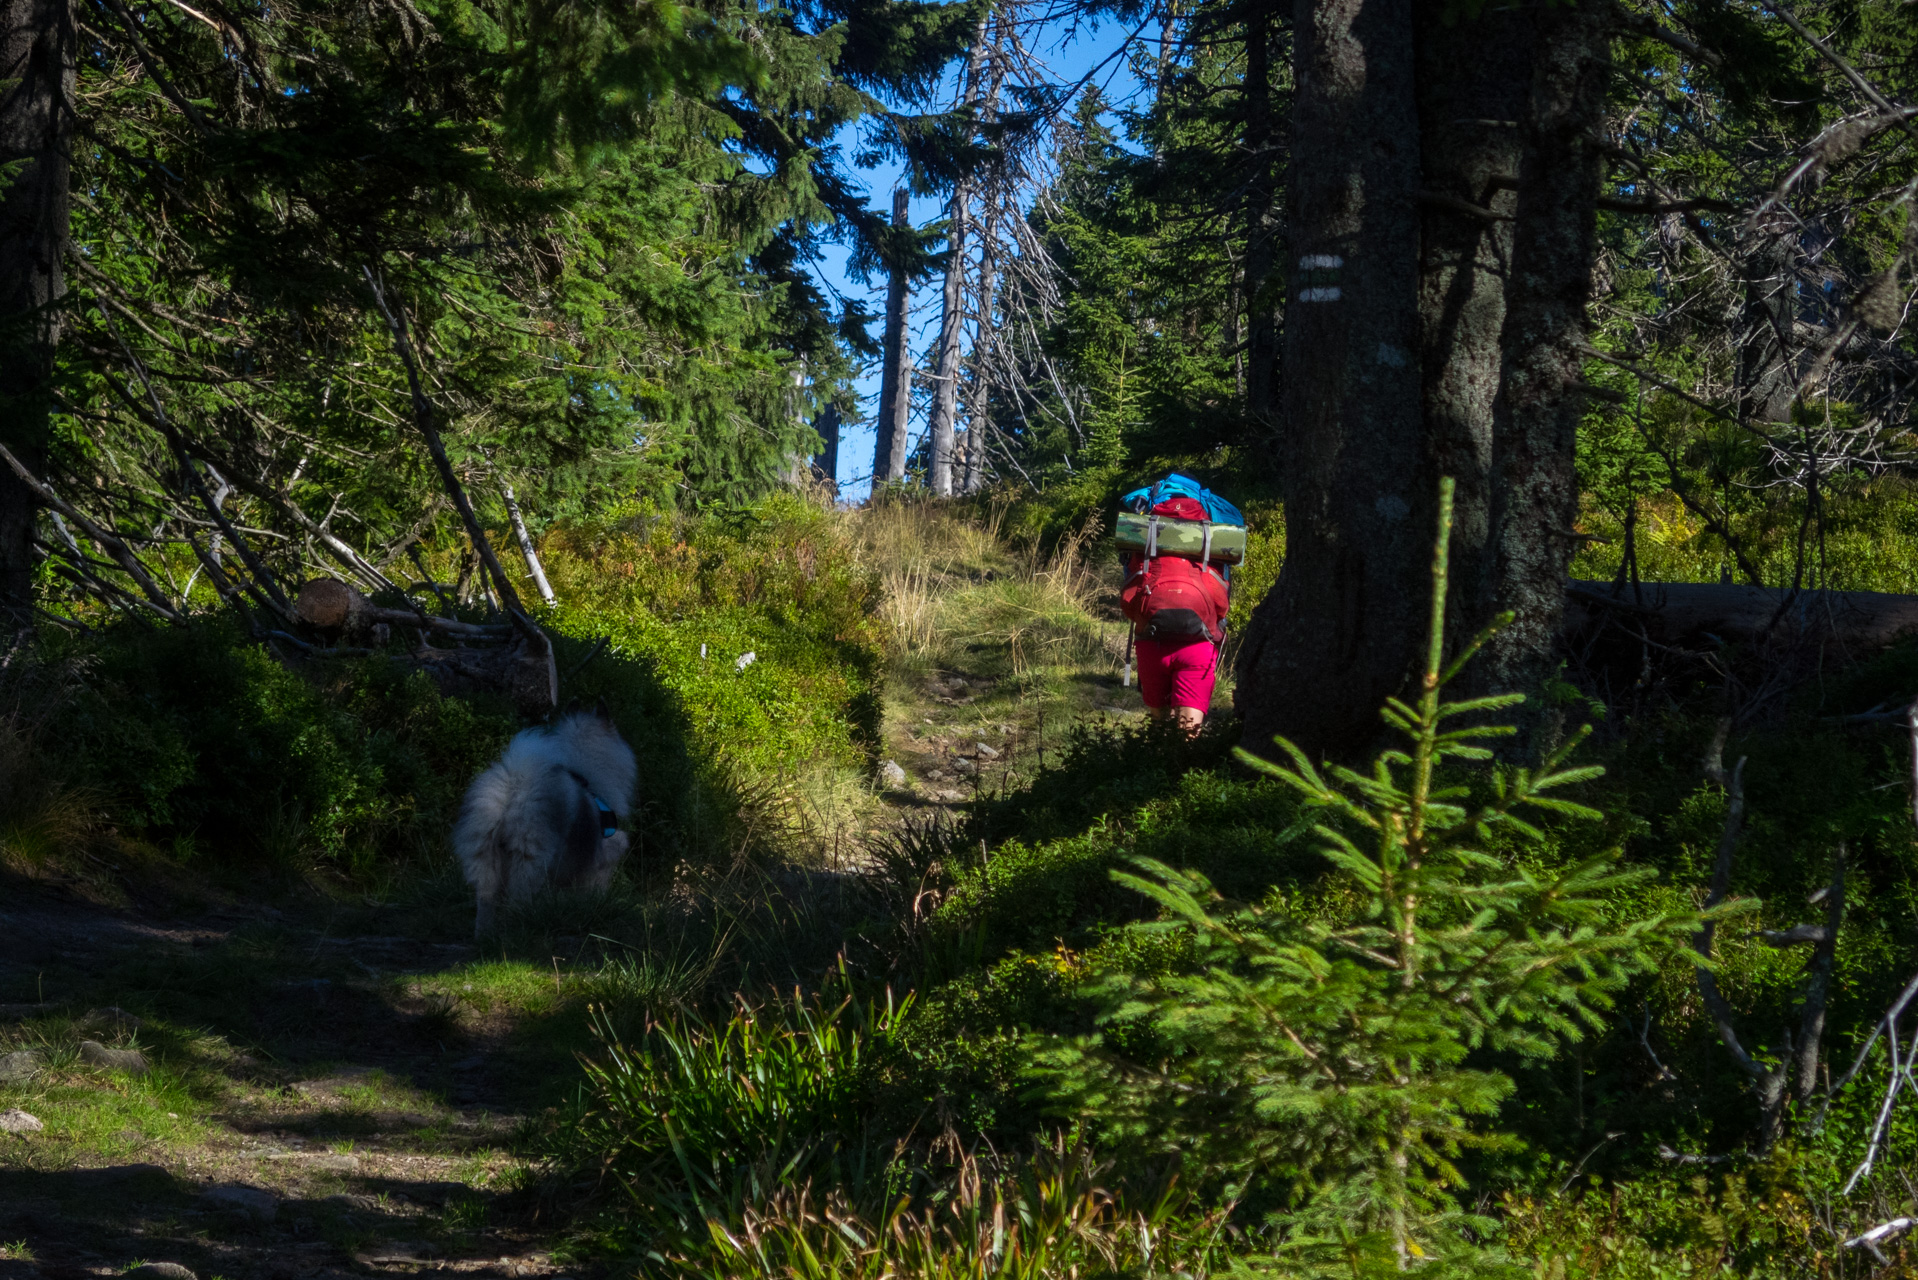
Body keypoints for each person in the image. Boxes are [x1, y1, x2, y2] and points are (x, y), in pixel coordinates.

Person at [1119, 492, 1231, 737]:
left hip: (1152, 643)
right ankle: (1184, 774)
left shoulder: (1146, 539)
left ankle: (1152, 772)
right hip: (1198, 646)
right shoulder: (1210, 541)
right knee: (1188, 734)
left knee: (1159, 730)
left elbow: (1128, 602)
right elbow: (1222, 605)